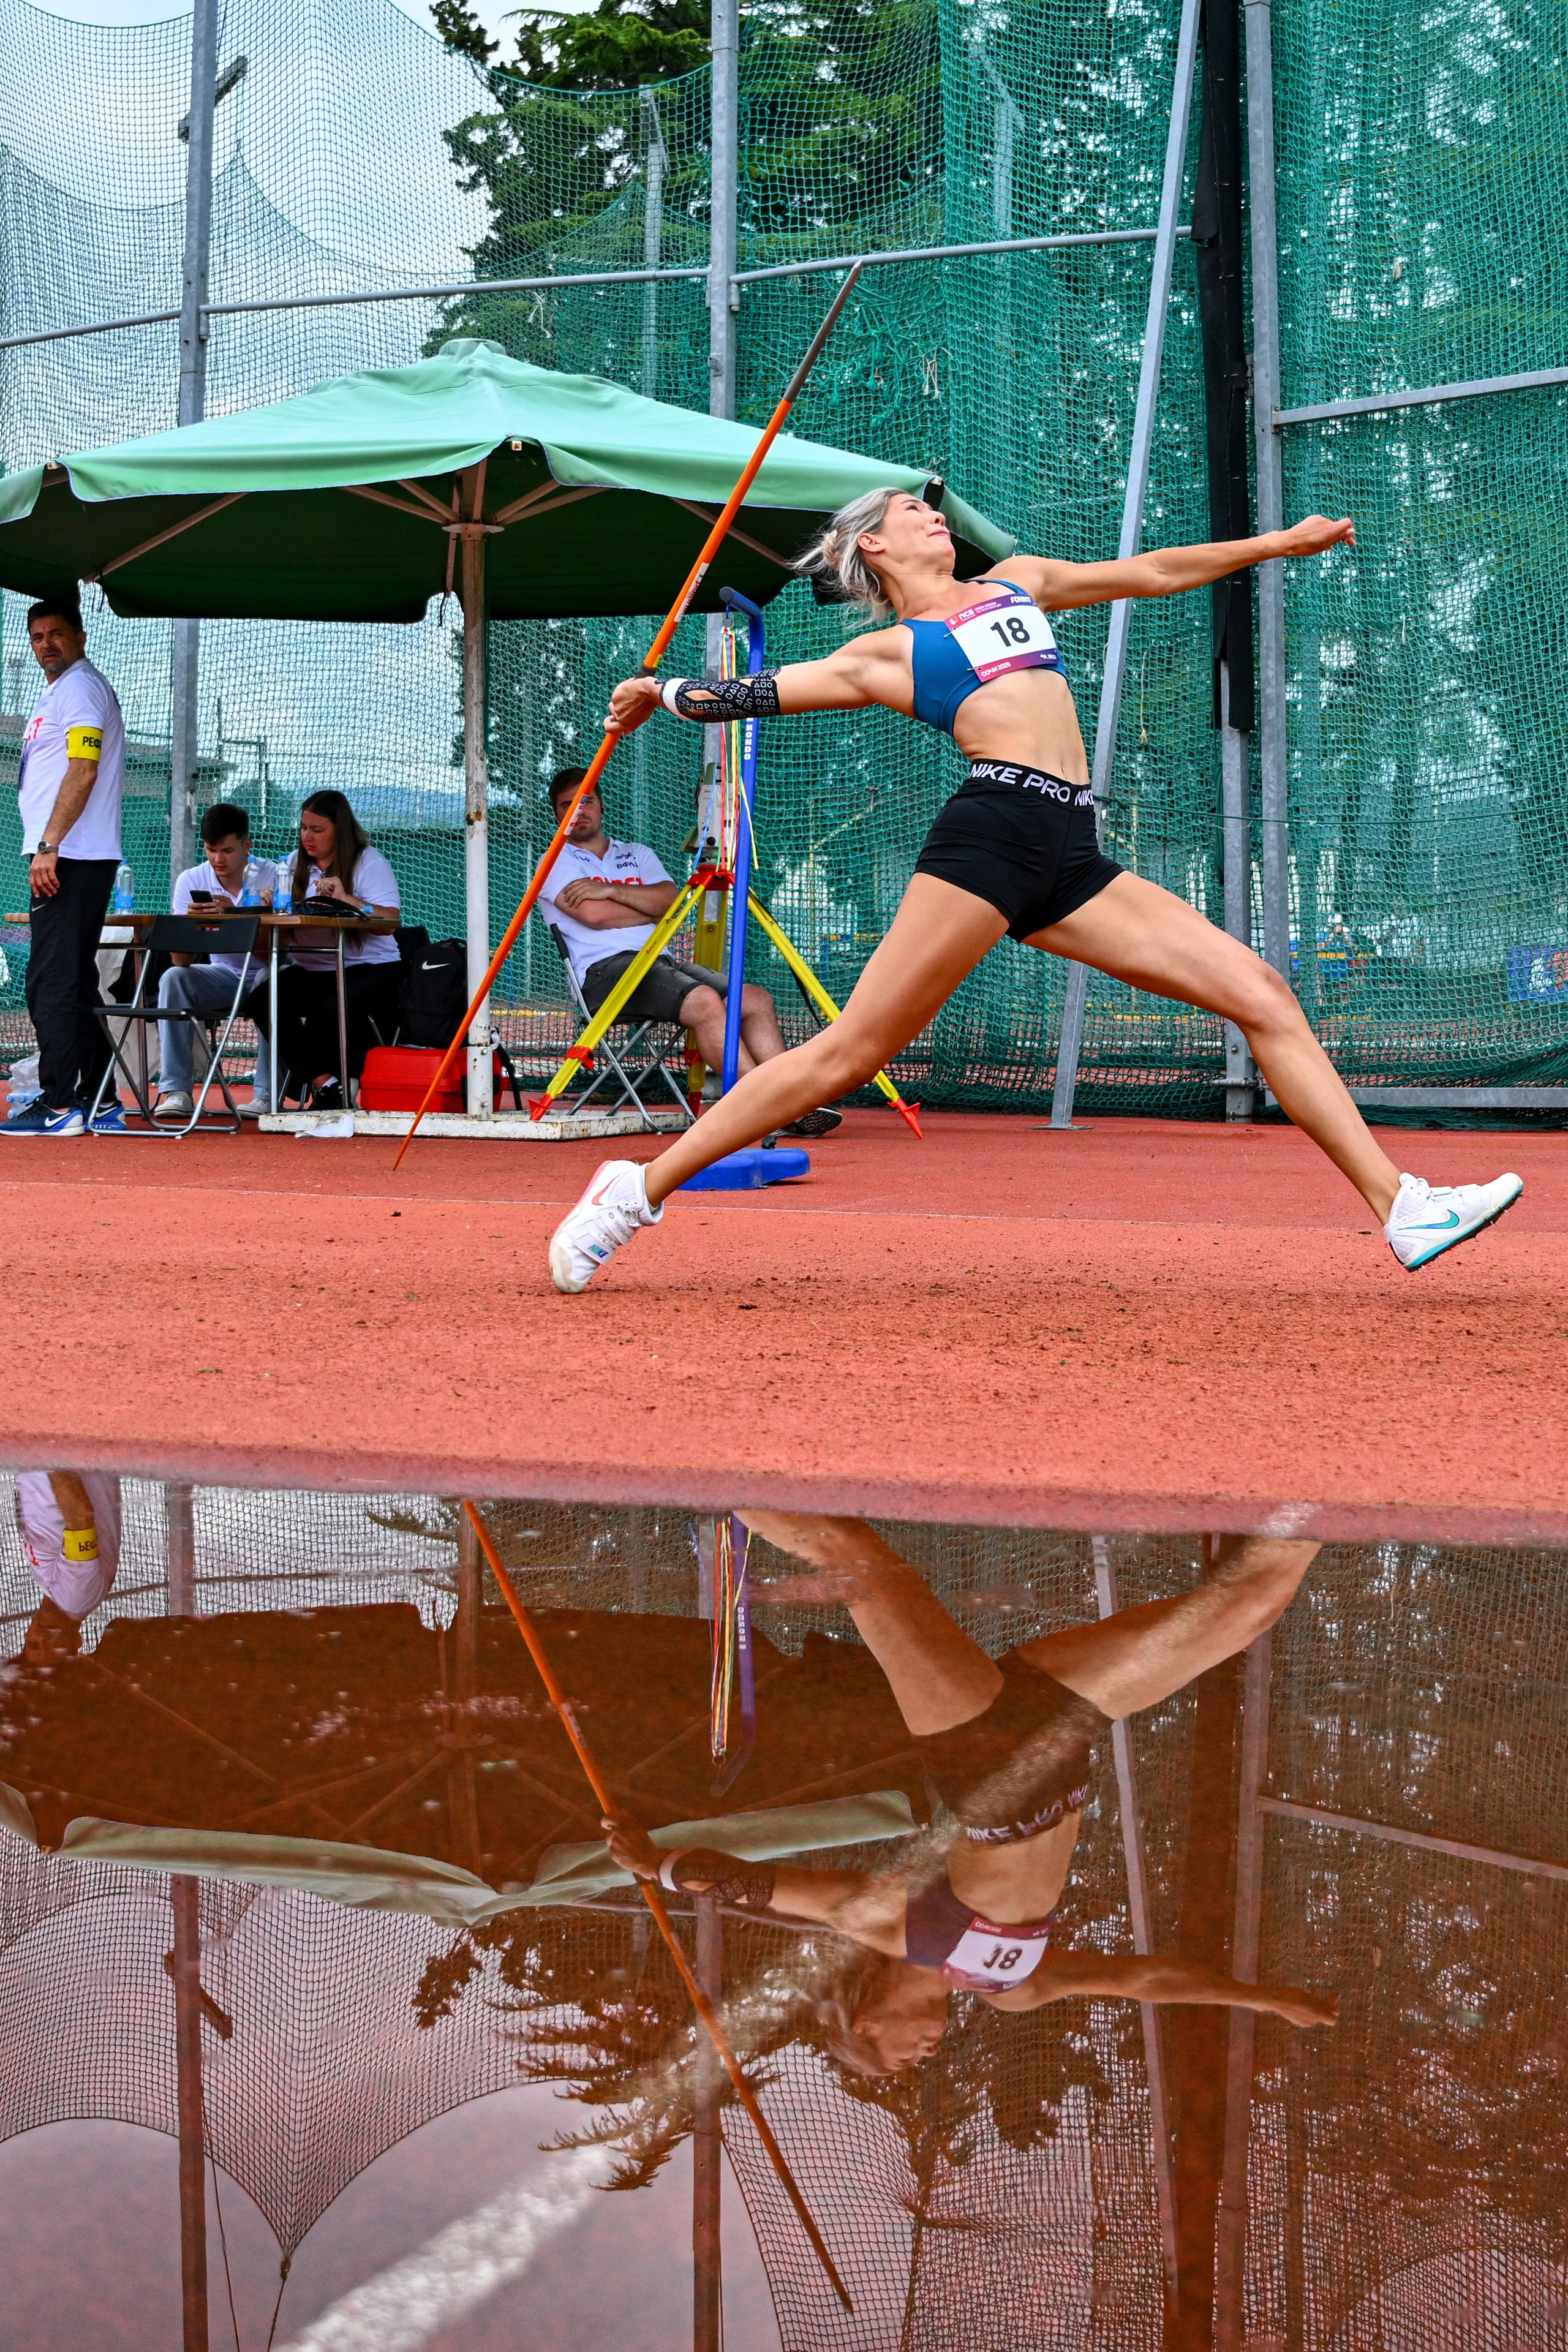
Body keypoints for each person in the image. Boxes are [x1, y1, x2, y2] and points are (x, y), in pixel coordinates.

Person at [548, 490, 1523, 1291]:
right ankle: (635, 1191)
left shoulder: (1018, 582)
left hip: (1070, 848)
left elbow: (1149, 573)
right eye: (910, 511)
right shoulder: (883, 654)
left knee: (1262, 994)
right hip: (991, 832)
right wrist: (663, 694)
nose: (935, 515)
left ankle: (1403, 1208)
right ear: (873, 547)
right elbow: (760, 694)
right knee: (850, 1054)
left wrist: (1279, 542)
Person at [606, 1510, 1336, 2076]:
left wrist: (657, 1869)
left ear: (863, 2024)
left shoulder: (886, 1930)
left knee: (857, 1564)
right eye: (915, 2065)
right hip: (1061, 1740)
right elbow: (1143, 1980)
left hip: (986, 1765)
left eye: (897, 2057)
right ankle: (1327, 1466)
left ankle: (705, 1456)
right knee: (1247, 1608)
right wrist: (1264, 1999)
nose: (920, 2055)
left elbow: (745, 1883)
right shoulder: (1013, 1990)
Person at [537, 767, 842, 1137]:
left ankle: (793, 1098)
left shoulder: (637, 854)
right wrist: (642, 906)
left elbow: (671, 902)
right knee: (704, 1001)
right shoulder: (554, 861)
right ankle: (768, 1107)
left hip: (658, 962)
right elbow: (595, 916)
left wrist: (610, 890)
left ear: (601, 806)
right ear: (557, 815)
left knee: (755, 999)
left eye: (586, 801)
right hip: (602, 975)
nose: (578, 811)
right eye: (567, 805)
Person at [1, 598, 127, 1137]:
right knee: (72, 982)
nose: (45, 643)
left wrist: (50, 844)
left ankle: (58, 1105)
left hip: (71, 856)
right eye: (36, 636)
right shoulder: (63, 688)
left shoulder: (79, 687)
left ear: (80, 635)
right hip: (71, 855)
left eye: (56, 633)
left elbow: (84, 766)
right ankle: (99, 1099)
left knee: (51, 981)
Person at [254, 789, 400, 1111]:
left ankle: (348, 1080)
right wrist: (270, 912)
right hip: (313, 970)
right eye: (304, 828)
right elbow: (271, 947)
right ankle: (326, 1085)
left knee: (330, 1003)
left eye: (317, 830)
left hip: (371, 968)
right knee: (263, 998)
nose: (308, 837)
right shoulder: (292, 865)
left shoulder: (368, 861)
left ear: (340, 830)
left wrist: (347, 899)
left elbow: (390, 921)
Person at [153, 800, 273, 1121]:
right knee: (173, 979)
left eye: (228, 850)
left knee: (272, 980)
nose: (218, 859)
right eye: (210, 849)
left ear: (247, 845)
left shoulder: (273, 876)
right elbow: (181, 960)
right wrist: (193, 927)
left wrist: (234, 918)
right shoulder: (191, 880)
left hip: (266, 973)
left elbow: (279, 955)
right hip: (224, 977)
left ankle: (266, 1095)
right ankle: (177, 1090)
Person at [13, 1469, 122, 1665]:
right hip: (59, 1454)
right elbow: (80, 1518)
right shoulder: (75, 1598)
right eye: (52, 1647)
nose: (42, 1637)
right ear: (76, 1641)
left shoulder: (54, 1593)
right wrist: (48, 1454)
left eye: (34, 1644)